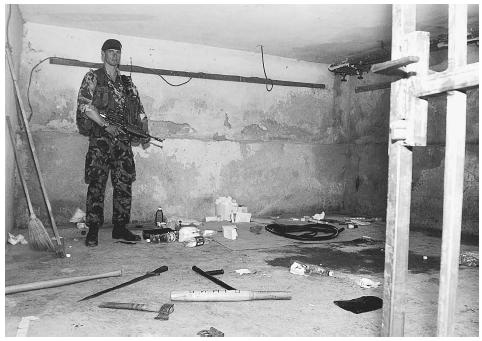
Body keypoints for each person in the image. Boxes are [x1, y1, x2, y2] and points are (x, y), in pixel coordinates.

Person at [76, 38, 149, 247]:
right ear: (103, 55)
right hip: (101, 140)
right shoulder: (93, 77)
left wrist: (144, 130)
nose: (114, 55)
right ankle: (93, 229)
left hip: (123, 142)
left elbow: (140, 111)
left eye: (117, 52)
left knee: (124, 185)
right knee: (97, 185)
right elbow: (85, 105)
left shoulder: (127, 83)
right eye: (110, 51)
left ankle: (119, 228)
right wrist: (105, 124)